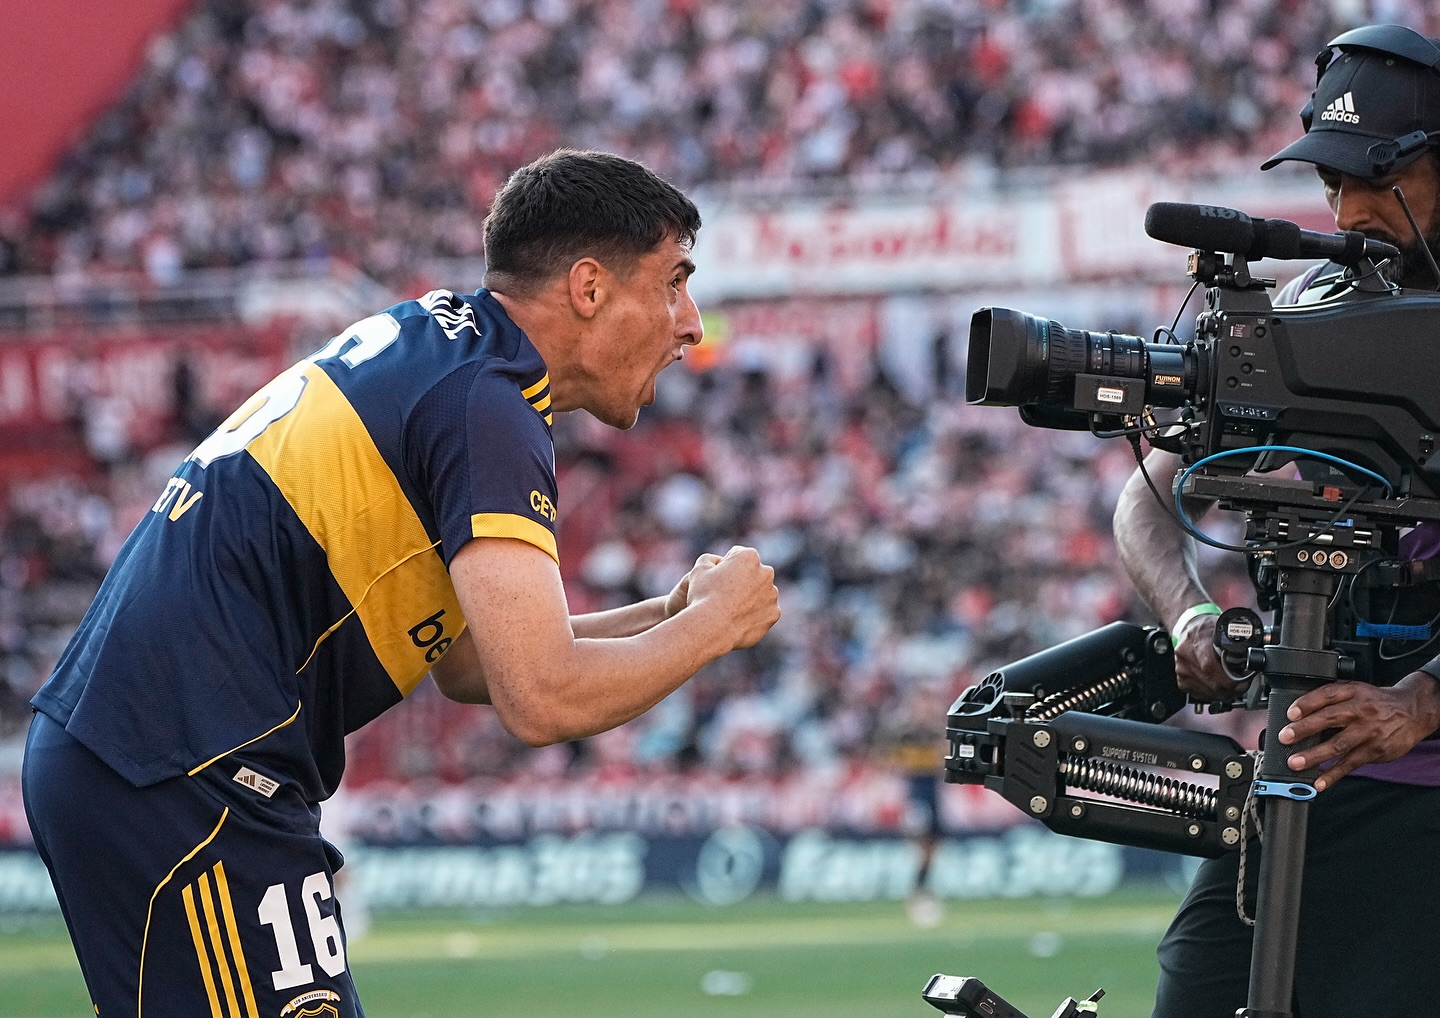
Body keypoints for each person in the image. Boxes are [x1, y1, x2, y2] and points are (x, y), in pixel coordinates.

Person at [21, 149, 781, 1018]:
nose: (691, 324)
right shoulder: (487, 402)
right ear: (588, 287)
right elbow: (542, 697)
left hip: (143, 759)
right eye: (674, 283)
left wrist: (667, 615)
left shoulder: (444, 355)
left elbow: (471, 662)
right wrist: (715, 627)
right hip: (184, 772)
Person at [1113, 26, 1440, 1018]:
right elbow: (1145, 501)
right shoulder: (1307, 302)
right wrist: (1189, 617)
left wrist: (1423, 702)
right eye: (1334, 183)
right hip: (1303, 773)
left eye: (1379, 180)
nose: (1349, 211)